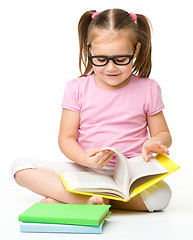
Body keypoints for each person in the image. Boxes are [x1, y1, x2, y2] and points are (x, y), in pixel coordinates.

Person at [12, 9, 172, 212]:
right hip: (86, 169)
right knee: (21, 167)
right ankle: (89, 200)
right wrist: (85, 159)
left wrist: (155, 142)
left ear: (136, 50)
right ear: (89, 50)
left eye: (121, 59)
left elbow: (163, 134)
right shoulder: (77, 88)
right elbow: (66, 138)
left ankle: (82, 198)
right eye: (101, 59)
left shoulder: (149, 88)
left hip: (130, 175)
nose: (111, 68)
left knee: (162, 196)